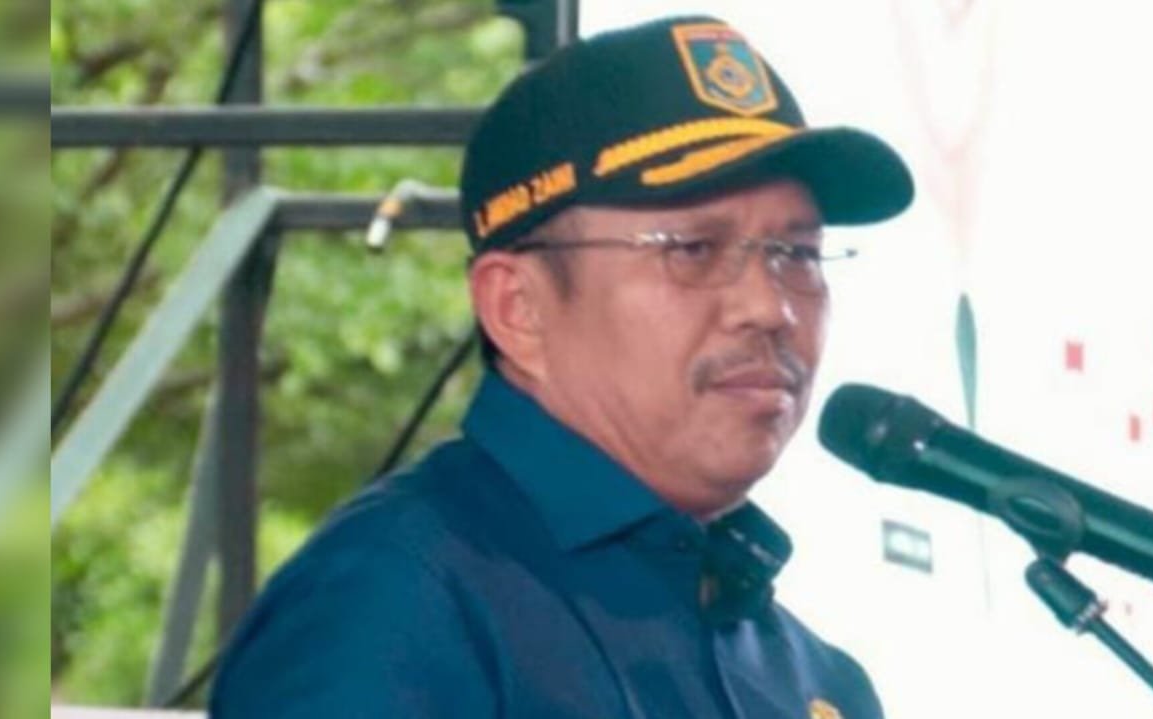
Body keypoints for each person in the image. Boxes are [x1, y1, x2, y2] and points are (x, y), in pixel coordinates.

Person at [211, 14, 912, 719]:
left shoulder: (820, 681)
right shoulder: (393, 607)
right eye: (692, 249)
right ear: (517, 307)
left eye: (798, 254)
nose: (769, 307)